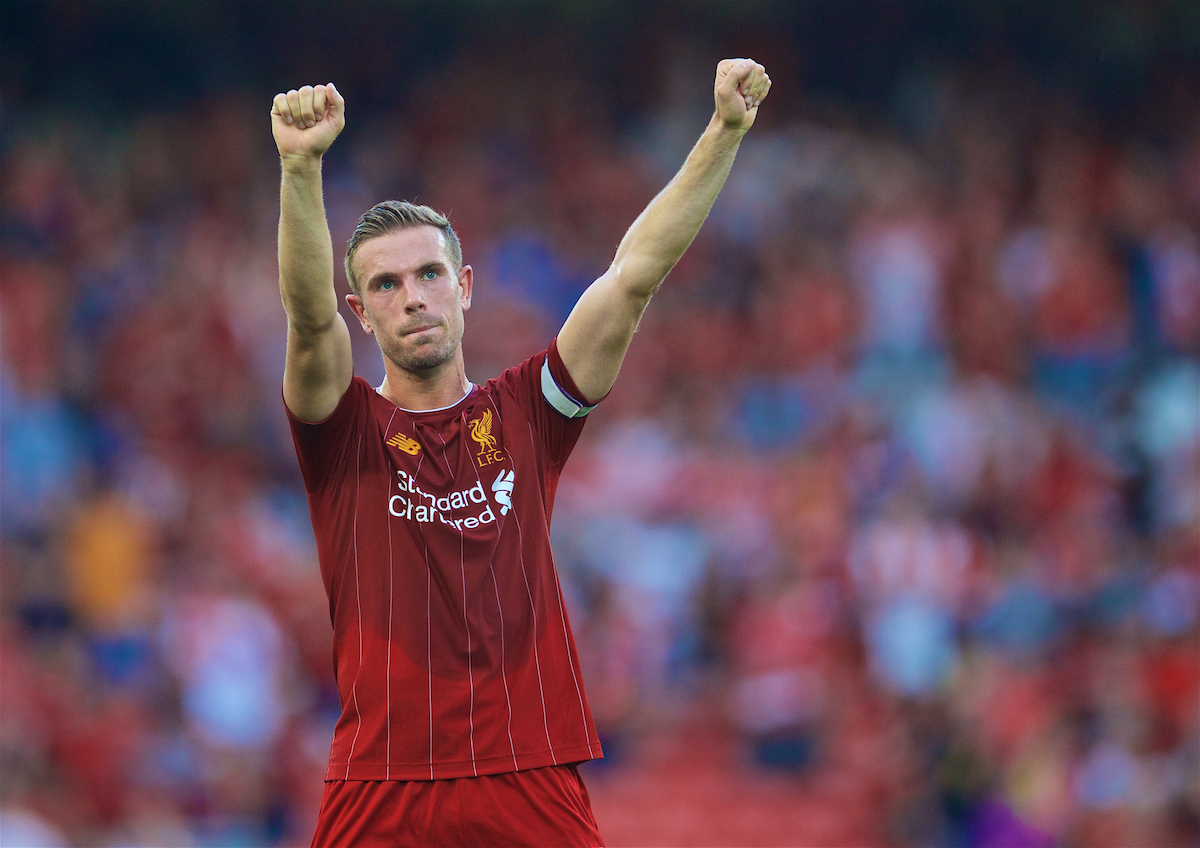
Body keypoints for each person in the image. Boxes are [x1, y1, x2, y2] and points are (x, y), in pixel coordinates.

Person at [271, 57, 771, 848]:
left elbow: (632, 276)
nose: (413, 297)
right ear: (361, 313)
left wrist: (722, 131)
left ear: (464, 286)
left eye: (430, 274)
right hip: (383, 781)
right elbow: (305, 319)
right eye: (387, 285)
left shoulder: (528, 414)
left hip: (527, 772)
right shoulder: (343, 431)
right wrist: (301, 168)